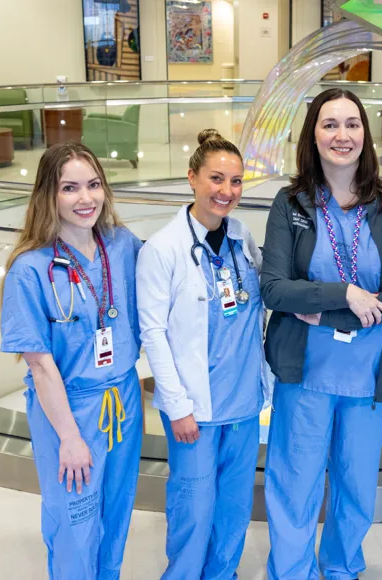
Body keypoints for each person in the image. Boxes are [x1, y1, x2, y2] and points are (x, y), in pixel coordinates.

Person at [260, 87, 382, 580]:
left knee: (355, 486)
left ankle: (340, 569)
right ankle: (290, 573)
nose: (342, 135)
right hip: (305, 371)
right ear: (313, 133)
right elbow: (274, 288)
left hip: (368, 373)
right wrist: (345, 294)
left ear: (365, 135)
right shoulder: (290, 204)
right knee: (295, 484)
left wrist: (329, 311)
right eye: (329, 124)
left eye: (352, 124)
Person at [0, 142, 143, 579]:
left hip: (124, 401)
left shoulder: (122, 245)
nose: (86, 199)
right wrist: (69, 437)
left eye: (94, 184)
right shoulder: (29, 269)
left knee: (116, 516)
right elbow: (41, 366)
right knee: (75, 521)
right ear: (49, 195)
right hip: (69, 409)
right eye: (70, 188)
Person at [136, 129, 266, 579]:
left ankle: (222, 574)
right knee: (193, 508)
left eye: (235, 181)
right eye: (216, 178)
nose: (226, 191)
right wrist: (177, 406)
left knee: (233, 508)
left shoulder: (244, 237)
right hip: (195, 410)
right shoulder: (162, 249)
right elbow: (153, 335)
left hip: (244, 404)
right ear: (192, 178)